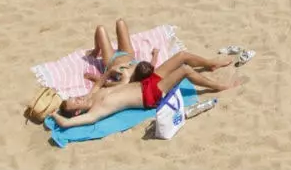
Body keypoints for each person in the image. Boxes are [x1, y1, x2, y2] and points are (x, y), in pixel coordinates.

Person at [54, 50, 244, 127]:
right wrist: (52, 114)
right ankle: (218, 86)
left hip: (145, 84)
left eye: (74, 97)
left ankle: (211, 64)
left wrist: (108, 72)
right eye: (75, 102)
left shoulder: (91, 95)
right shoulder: (95, 112)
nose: (78, 98)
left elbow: (99, 82)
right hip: (149, 96)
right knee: (185, 70)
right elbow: (65, 124)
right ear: (77, 111)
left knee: (181, 56)